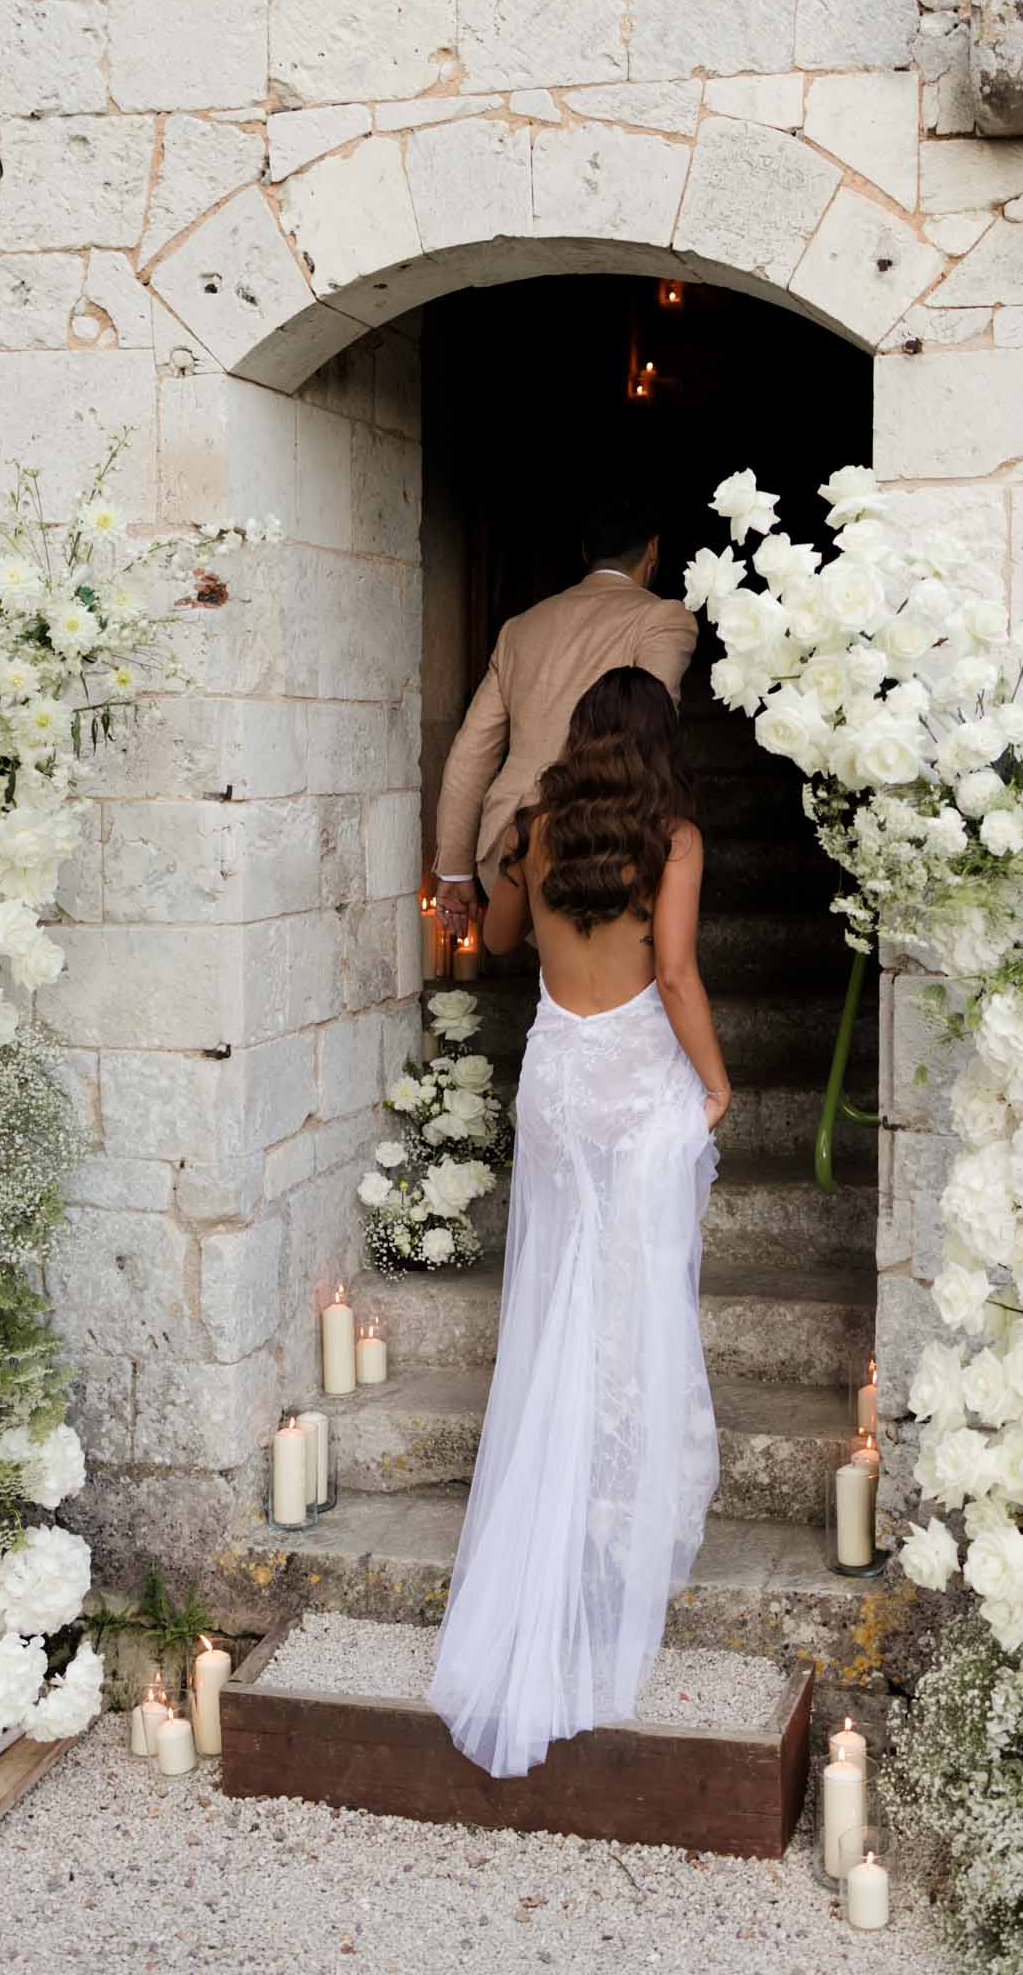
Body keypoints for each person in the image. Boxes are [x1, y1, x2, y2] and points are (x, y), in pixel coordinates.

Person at [427, 667, 731, 1779]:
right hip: (639, 1078)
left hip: (556, 1081)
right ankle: (615, 1519)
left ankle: (560, 1513)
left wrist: (515, 865)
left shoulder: (539, 826)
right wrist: (716, 1083)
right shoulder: (675, 837)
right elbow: (680, 972)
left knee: (560, 1291)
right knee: (636, 1297)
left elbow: (502, 941)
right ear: (660, 743)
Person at [431, 497, 696, 938]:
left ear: (585, 553)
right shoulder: (662, 618)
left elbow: (472, 750)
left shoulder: (521, 627)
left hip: (511, 840)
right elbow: (648, 727)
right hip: (604, 835)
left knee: (559, 973)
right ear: (653, 550)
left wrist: (455, 871)